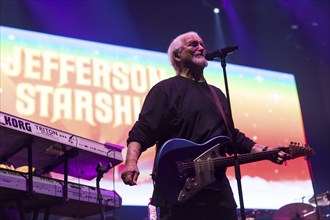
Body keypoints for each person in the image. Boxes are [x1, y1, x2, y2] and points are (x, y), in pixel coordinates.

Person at [121, 31, 291, 220]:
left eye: (202, 44)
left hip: (218, 193)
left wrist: (266, 151)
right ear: (177, 55)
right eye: (193, 44)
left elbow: (232, 138)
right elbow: (142, 131)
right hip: (179, 190)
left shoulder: (217, 94)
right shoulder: (165, 90)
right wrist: (131, 163)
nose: (201, 48)